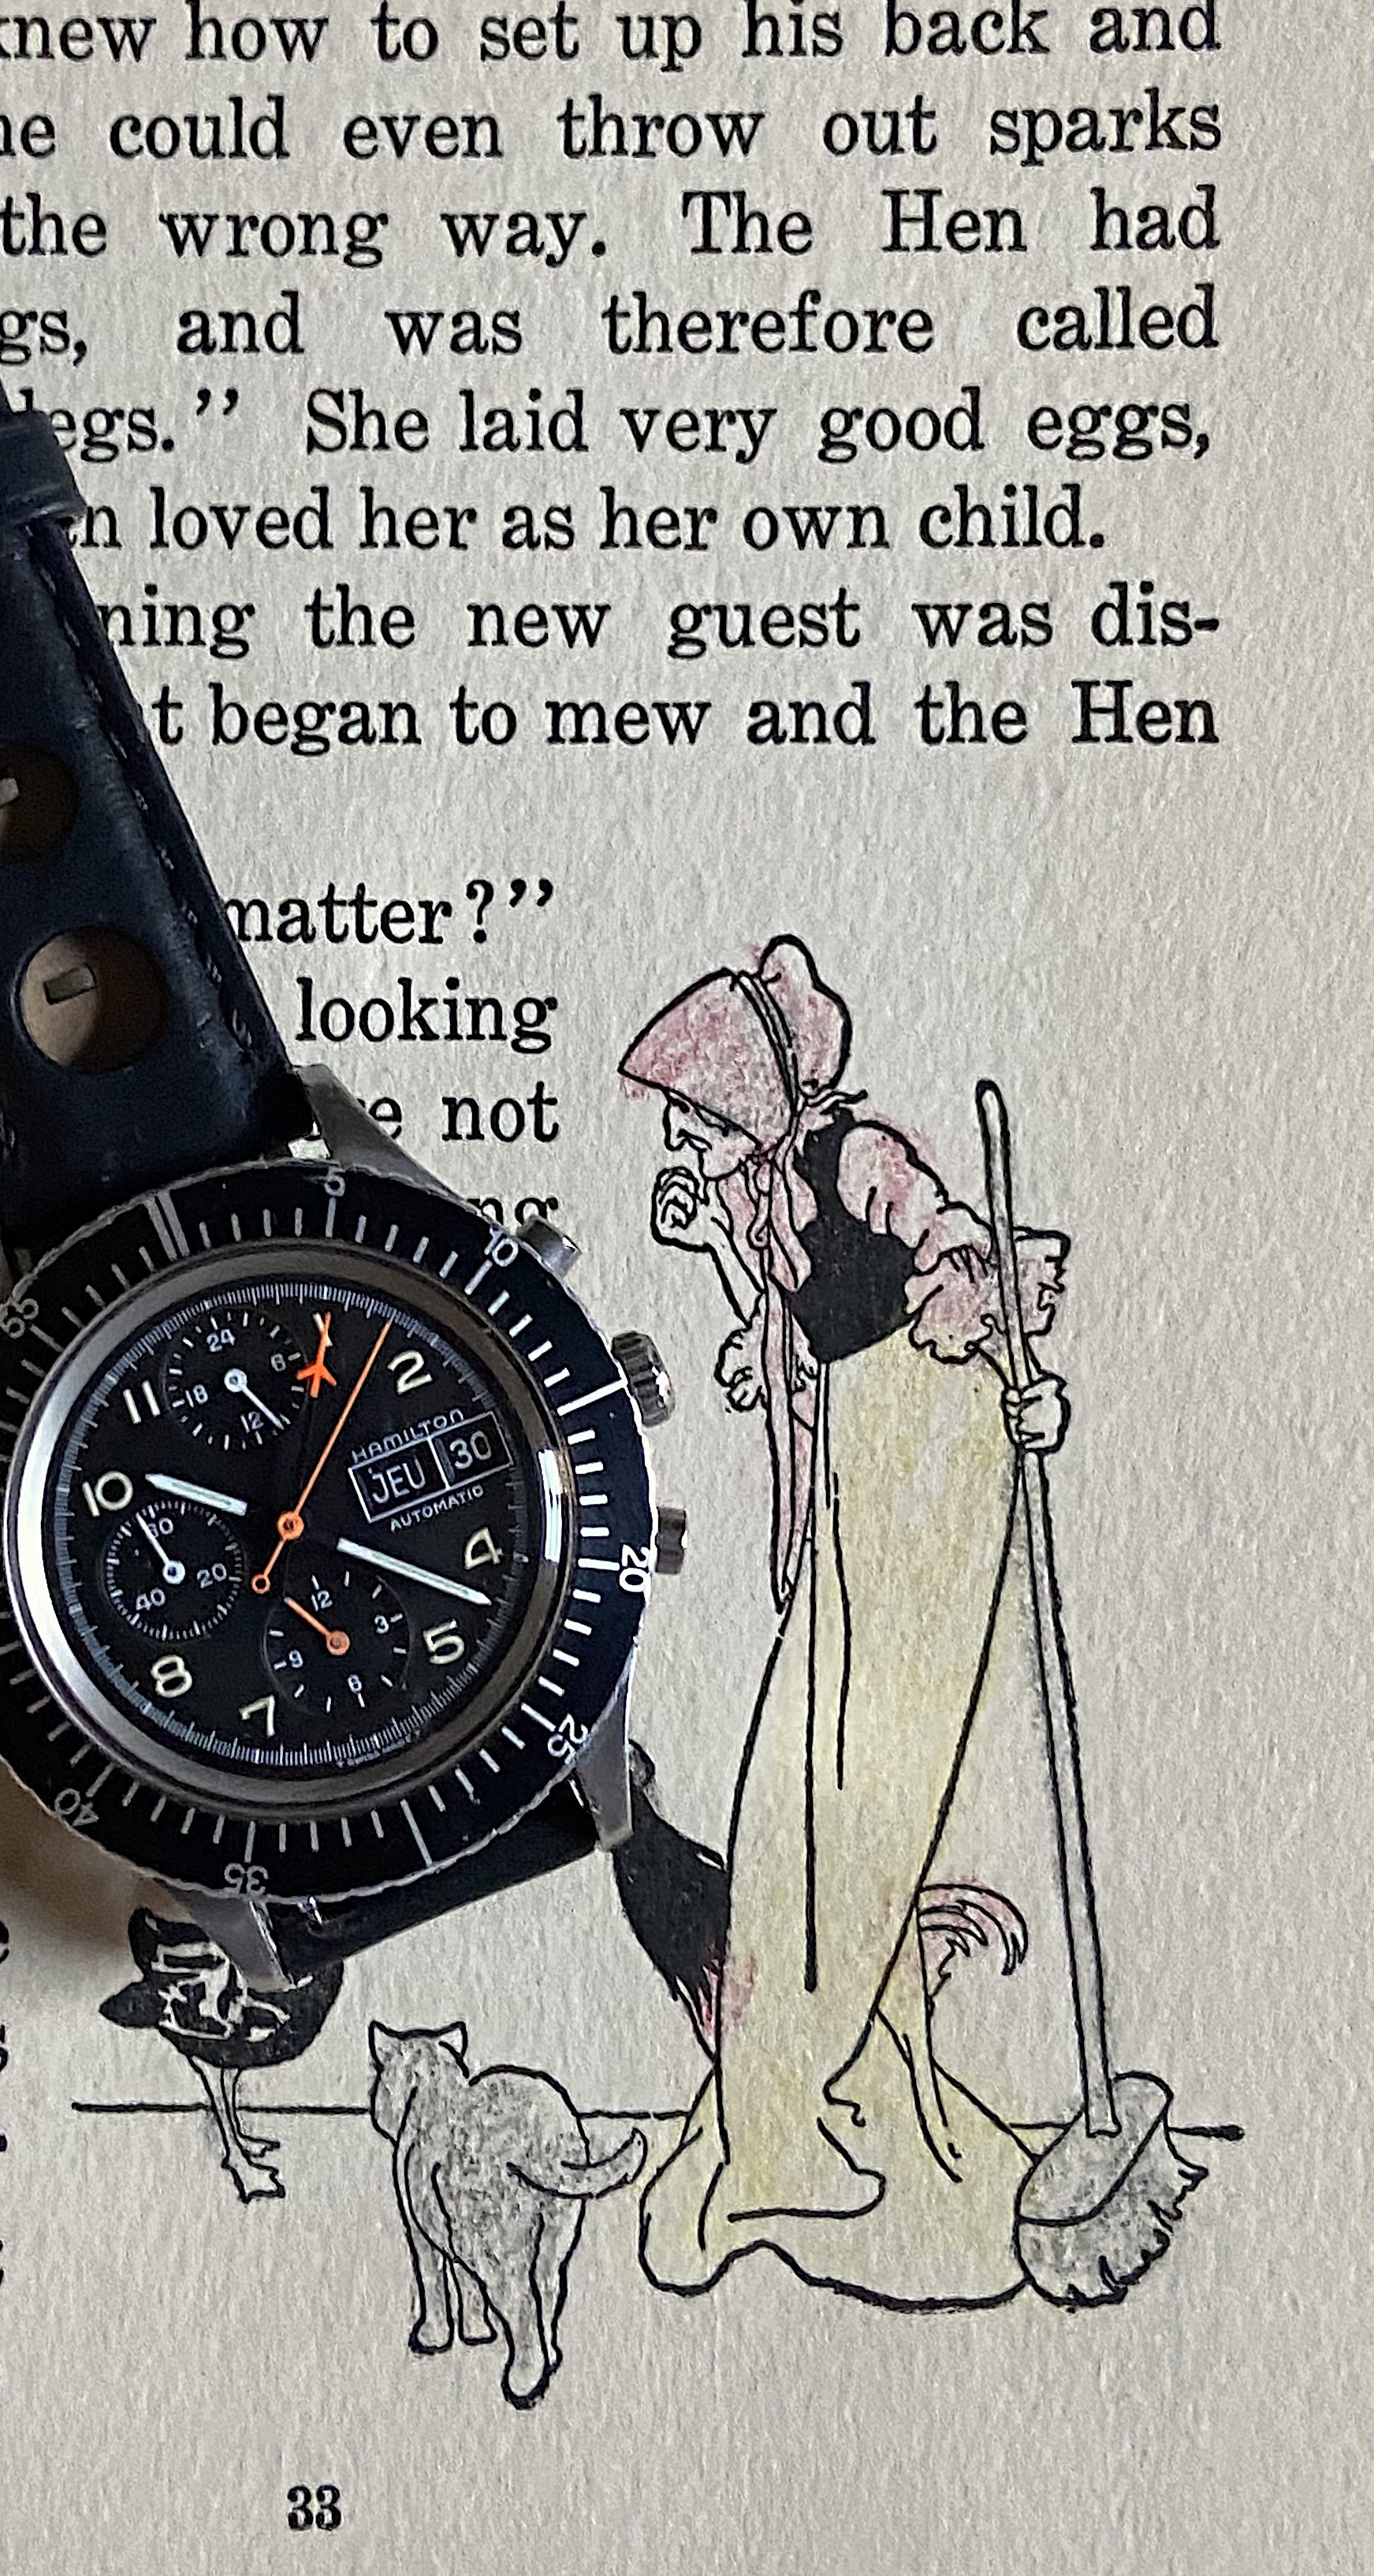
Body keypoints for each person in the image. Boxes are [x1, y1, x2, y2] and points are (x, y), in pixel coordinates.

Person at [621, 936, 1068, 2308]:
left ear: (754, 1097)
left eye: (699, 1112)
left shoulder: (859, 1154)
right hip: (865, 1470)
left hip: (929, 1454)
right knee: (795, 1795)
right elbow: (793, 1328)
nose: (688, 1137)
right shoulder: (759, 1194)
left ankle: (805, 2093)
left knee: (863, 1780)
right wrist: (720, 1249)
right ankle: (786, 2103)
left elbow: (956, 1262)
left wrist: (1010, 1363)